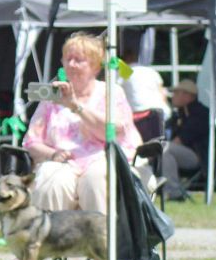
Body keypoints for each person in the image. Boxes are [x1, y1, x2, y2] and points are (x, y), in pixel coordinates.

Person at [23, 32, 143, 212]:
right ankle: (55, 237)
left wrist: (75, 106)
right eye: (67, 59)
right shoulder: (51, 97)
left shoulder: (111, 93)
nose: (71, 64)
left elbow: (112, 132)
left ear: (95, 67)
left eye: (78, 60)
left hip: (103, 159)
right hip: (63, 163)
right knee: (51, 178)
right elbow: (31, 142)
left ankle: (100, 237)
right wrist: (52, 154)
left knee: (95, 179)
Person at [163, 78, 208, 200]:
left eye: (176, 93)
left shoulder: (200, 114)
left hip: (198, 158)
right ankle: (174, 194)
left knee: (163, 149)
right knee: (165, 153)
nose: (173, 97)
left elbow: (180, 140)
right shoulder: (180, 114)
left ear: (187, 96)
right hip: (181, 154)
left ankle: (173, 192)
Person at [119, 47, 170, 120]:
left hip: (140, 114)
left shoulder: (124, 71)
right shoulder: (150, 71)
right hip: (161, 111)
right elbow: (162, 93)